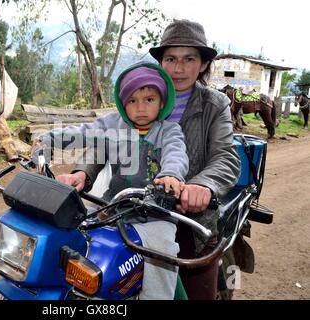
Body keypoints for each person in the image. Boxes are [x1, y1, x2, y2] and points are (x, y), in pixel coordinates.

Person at [57, 19, 241, 300]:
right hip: (126, 208)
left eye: (189, 59)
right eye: (171, 59)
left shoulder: (215, 105)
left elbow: (225, 158)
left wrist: (201, 187)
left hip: (190, 218)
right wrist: (82, 172)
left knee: (195, 293)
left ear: (203, 64)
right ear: (161, 62)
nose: (178, 68)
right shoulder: (140, 94)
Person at [32, 62, 189, 299]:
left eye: (149, 99)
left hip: (155, 214)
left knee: (163, 254)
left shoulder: (169, 131)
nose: (141, 108)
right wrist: (48, 139)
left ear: (162, 101)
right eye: (133, 100)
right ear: (123, 103)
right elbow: (81, 132)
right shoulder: (112, 124)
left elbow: (176, 153)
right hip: (112, 207)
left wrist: (171, 175)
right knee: (75, 234)